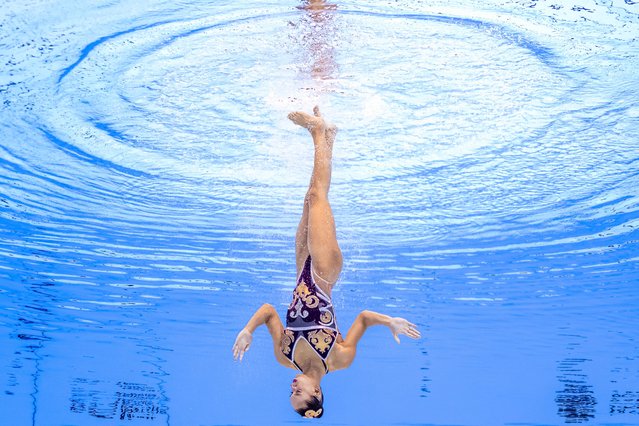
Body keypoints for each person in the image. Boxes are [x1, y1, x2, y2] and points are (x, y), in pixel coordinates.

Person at [232, 107, 421, 419]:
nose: (292, 387)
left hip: (300, 268)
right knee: (319, 198)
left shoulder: (284, 357)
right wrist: (390, 321)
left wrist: (247, 329)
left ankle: (327, 137)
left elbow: (267, 311)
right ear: (316, 392)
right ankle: (318, 130)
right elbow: (362, 319)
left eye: (290, 392)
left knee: (309, 198)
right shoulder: (340, 359)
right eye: (298, 392)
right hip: (324, 271)